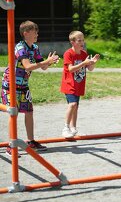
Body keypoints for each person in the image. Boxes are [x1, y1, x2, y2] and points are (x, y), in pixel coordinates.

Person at [1, 20, 59, 156]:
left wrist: (49, 62)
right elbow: (27, 66)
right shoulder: (20, 47)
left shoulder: (35, 48)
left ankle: (31, 141)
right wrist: (45, 62)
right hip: (11, 84)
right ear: (26, 33)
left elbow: (42, 66)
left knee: (29, 112)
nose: (37, 34)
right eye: (35, 32)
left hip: (23, 85)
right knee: (13, 113)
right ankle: (11, 145)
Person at [60, 31, 100, 138]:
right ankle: (65, 128)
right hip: (69, 84)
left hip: (79, 84)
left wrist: (94, 62)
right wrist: (84, 63)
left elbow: (90, 69)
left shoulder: (84, 54)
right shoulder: (68, 53)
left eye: (83, 40)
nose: (82, 42)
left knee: (75, 107)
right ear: (72, 42)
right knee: (72, 104)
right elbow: (70, 69)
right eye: (79, 40)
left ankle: (73, 129)